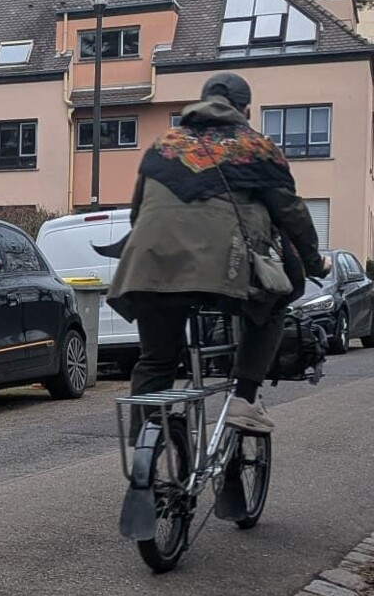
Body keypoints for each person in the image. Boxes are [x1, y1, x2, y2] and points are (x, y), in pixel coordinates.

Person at [107, 72, 328, 435]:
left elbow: (137, 214)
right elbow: (290, 213)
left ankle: (148, 452)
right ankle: (244, 400)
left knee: (157, 358)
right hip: (225, 270)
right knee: (273, 304)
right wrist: (314, 261)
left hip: (147, 268)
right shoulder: (255, 147)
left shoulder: (164, 144)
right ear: (245, 109)